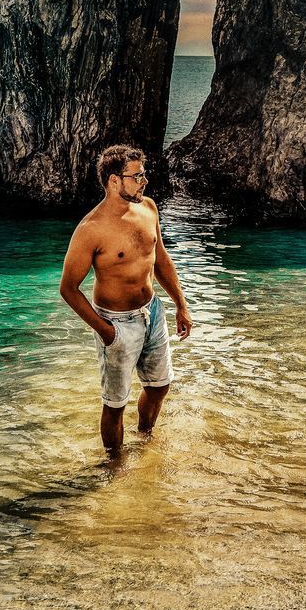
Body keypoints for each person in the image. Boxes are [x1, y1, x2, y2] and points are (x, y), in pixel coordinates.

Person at [59, 144, 192, 455]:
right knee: (115, 404)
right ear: (114, 180)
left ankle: (145, 438)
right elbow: (68, 288)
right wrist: (105, 330)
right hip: (116, 323)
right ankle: (114, 466)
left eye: (144, 174)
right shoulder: (90, 229)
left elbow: (160, 259)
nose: (144, 181)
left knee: (159, 386)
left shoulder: (148, 208)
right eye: (137, 176)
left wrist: (181, 305)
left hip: (153, 312)